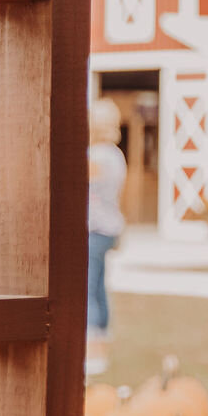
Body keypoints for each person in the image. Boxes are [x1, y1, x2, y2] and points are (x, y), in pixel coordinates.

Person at [86, 97, 127, 376]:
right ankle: (102, 348)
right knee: (99, 288)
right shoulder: (115, 154)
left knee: (87, 291)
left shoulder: (97, 156)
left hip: (94, 230)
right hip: (109, 229)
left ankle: (93, 352)